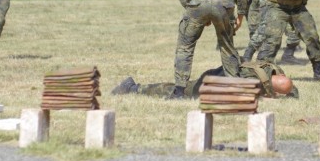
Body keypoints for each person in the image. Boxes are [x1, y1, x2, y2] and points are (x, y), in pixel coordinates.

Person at [170, 0, 251, 99]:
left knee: (185, 47)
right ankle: (234, 88)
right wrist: (240, 15)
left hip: (197, 3)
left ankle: (179, 91)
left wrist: (194, 10)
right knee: (226, 47)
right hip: (223, 5)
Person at [112, 61, 299, 99]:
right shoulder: (250, 83)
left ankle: (134, 87)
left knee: (180, 87)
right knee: (180, 91)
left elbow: (291, 88)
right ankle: (133, 88)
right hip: (212, 79)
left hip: (222, 72)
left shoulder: (273, 69)